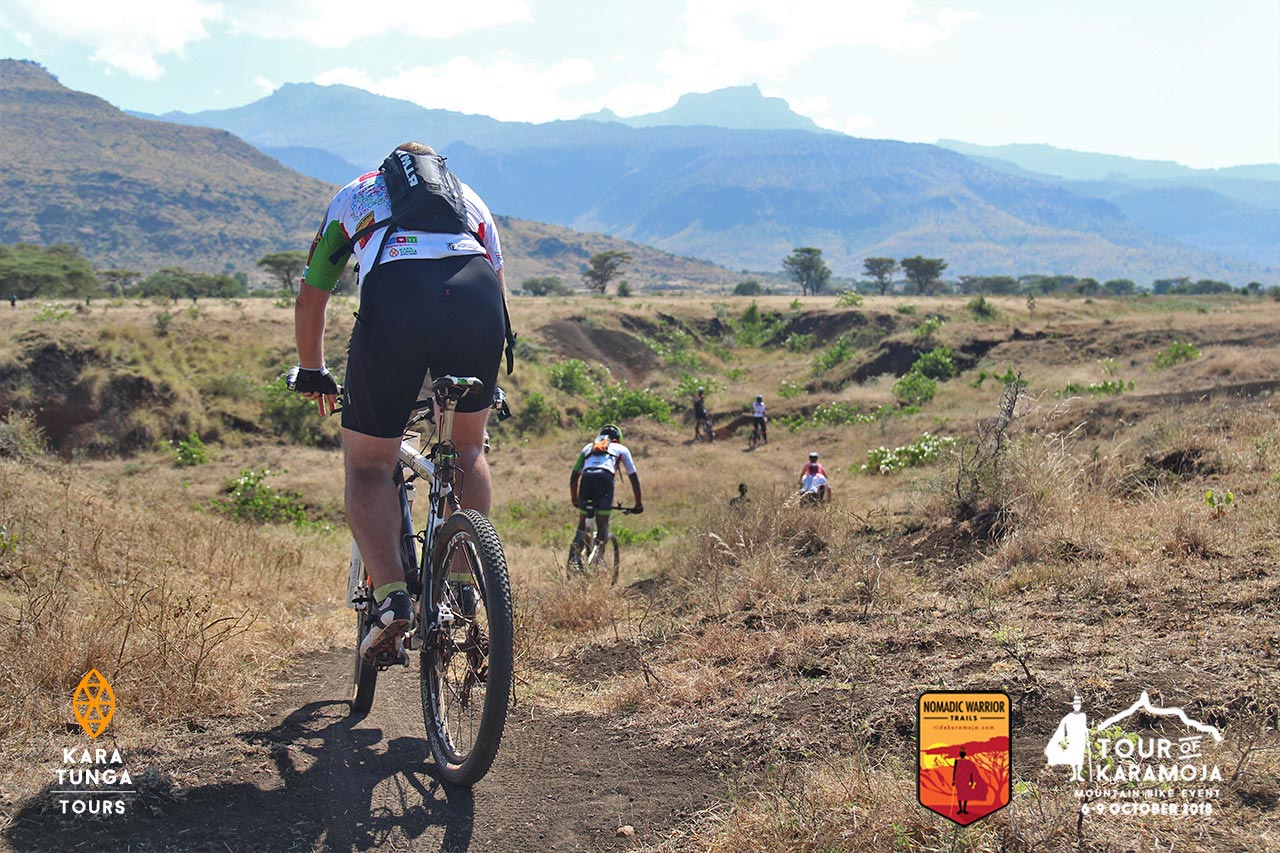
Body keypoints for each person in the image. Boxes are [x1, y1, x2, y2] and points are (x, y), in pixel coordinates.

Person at [290, 141, 508, 663]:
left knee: (368, 463)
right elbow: (497, 284)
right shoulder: (470, 200)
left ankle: (391, 601)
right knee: (468, 450)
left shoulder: (355, 194)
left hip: (398, 300)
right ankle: (462, 580)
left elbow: (312, 296)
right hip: (477, 301)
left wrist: (314, 370)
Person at [569, 424, 643, 565]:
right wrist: (638, 504)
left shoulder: (588, 448)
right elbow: (634, 479)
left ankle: (575, 559)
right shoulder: (621, 449)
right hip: (604, 480)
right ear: (618, 439)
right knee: (603, 524)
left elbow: (573, 478)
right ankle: (599, 560)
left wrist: (575, 499)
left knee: (582, 524)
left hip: (586, 480)